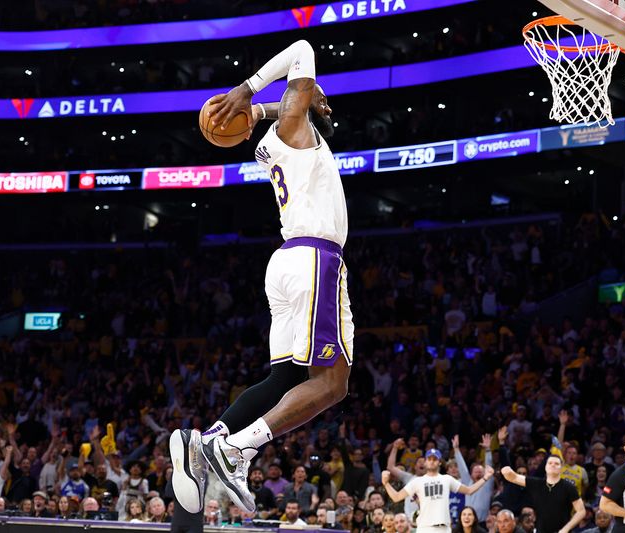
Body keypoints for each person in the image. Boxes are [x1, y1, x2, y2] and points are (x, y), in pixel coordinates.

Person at [170, 37, 353, 518]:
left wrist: (261, 109)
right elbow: (303, 47)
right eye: (307, 94)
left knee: (292, 376)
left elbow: (287, 106)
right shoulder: (294, 129)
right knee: (331, 382)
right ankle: (236, 450)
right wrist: (246, 90)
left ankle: (208, 440)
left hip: (288, 261)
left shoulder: (275, 140)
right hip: (316, 258)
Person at [382, 449, 495, 533]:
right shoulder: (417, 481)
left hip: (444, 528)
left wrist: (485, 478)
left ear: (439, 462)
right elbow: (396, 497)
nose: (432, 461)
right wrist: (386, 483)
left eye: (435, 459)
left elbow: (469, 490)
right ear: (425, 462)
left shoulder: (447, 479)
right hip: (424, 528)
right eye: (429, 459)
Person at [501, 454, 586, 533]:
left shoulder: (569, 487)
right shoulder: (536, 483)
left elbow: (581, 511)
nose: (553, 465)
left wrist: (566, 529)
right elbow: (513, 477)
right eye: (550, 463)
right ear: (545, 467)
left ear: (561, 468)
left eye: (556, 463)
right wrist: (505, 470)